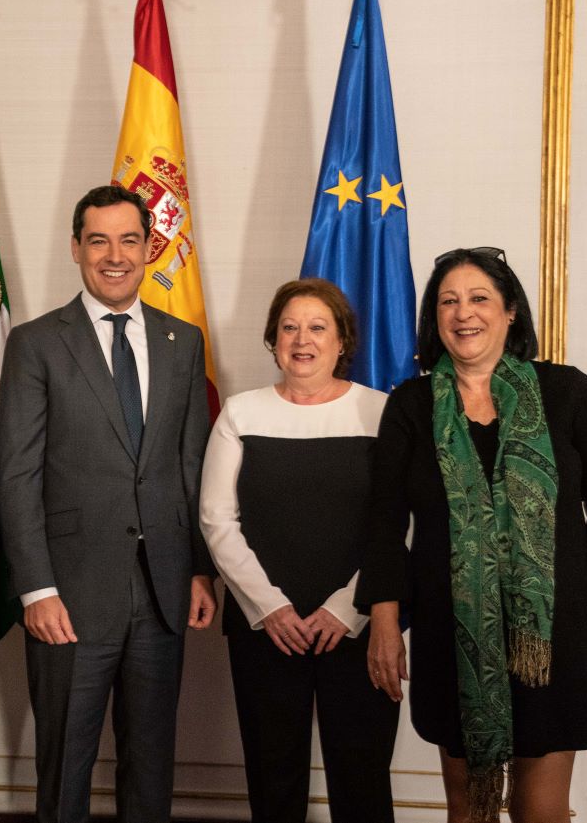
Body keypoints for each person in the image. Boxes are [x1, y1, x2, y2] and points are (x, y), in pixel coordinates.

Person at [358, 247, 587, 823]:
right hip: (453, 635)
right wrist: (383, 622)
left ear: (510, 313)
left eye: (479, 298)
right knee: (468, 812)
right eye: (448, 301)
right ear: (435, 318)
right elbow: (384, 521)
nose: (463, 312)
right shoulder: (411, 405)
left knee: (540, 811)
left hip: (554, 637)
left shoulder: (567, 392)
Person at [0, 184, 218, 823]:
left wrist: (199, 567)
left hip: (163, 591)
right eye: (99, 240)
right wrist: (36, 590)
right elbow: (16, 475)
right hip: (69, 595)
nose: (114, 255)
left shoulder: (183, 341)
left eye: (129, 239)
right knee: (65, 763)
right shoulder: (37, 343)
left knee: (150, 767)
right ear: (76, 248)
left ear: (150, 247)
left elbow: (190, 467)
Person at [199, 278, 399, 822]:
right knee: (274, 779)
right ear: (273, 339)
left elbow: (400, 525)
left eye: (317, 327)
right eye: (289, 327)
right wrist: (271, 609)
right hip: (266, 630)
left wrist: (347, 609)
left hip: (358, 628)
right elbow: (217, 520)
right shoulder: (241, 413)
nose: (301, 339)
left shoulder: (383, 414)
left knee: (361, 782)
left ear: (342, 343)